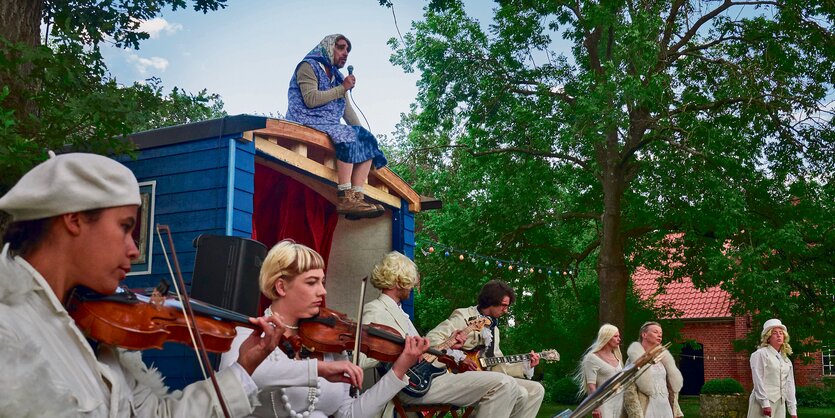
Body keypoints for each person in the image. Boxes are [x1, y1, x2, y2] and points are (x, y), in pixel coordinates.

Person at [0, 152, 284, 417]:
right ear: (74, 219)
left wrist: (245, 366)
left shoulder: (97, 332)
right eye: (125, 227)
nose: (134, 250)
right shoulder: (8, 327)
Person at [220, 240, 431, 418]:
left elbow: (350, 414)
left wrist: (399, 369)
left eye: (322, 281)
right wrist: (317, 370)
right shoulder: (247, 337)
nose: (323, 291)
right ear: (281, 287)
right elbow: (237, 386)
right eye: (312, 282)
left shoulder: (328, 343)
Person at [361, 252, 528, 418]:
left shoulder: (400, 313)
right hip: (408, 384)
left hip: (430, 375)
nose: (413, 286)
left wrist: (450, 344)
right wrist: (402, 352)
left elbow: (425, 353)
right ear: (399, 281)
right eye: (411, 281)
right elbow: (360, 358)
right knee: (503, 383)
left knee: (514, 387)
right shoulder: (376, 309)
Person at [286, 34, 387, 219]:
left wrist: (366, 141)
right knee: (347, 134)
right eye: (340, 48)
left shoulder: (338, 76)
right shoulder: (308, 66)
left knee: (365, 138)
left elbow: (347, 112)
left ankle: (357, 198)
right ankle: (344, 197)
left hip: (329, 124)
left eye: (347, 50)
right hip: (304, 119)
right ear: (328, 46)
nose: (345, 53)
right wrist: (343, 88)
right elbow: (310, 100)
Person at [424, 278, 543, 418]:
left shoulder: (494, 330)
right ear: (490, 301)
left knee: (536, 390)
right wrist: (460, 358)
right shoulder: (463, 316)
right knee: (519, 392)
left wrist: (525, 365)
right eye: (504, 305)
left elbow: (498, 364)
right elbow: (432, 339)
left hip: (486, 377)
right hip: (455, 375)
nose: (506, 310)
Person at [623, 321, 683, 418]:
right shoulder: (634, 358)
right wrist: (636, 415)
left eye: (661, 333)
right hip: (647, 410)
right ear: (644, 334)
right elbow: (629, 392)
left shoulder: (663, 358)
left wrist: (676, 411)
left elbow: (671, 388)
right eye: (655, 332)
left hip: (665, 409)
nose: (659, 335)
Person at [747, 318, 797, 418]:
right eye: (774, 333)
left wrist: (793, 411)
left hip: (780, 403)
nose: (779, 335)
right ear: (768, 337)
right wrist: (764, 403)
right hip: (762, 403)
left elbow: (790, 384)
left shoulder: (786, 360)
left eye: (781, 333)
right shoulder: (760, 354)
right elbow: (758, 379)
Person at [575, 324, 625, 418]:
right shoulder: (591, 358)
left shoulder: (617, 356)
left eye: (619, 336)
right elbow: (591, 386)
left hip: (620, 402)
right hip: (604, 404)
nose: (619, 339)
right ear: (607, 337)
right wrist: (595, 407)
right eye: (615, 336)